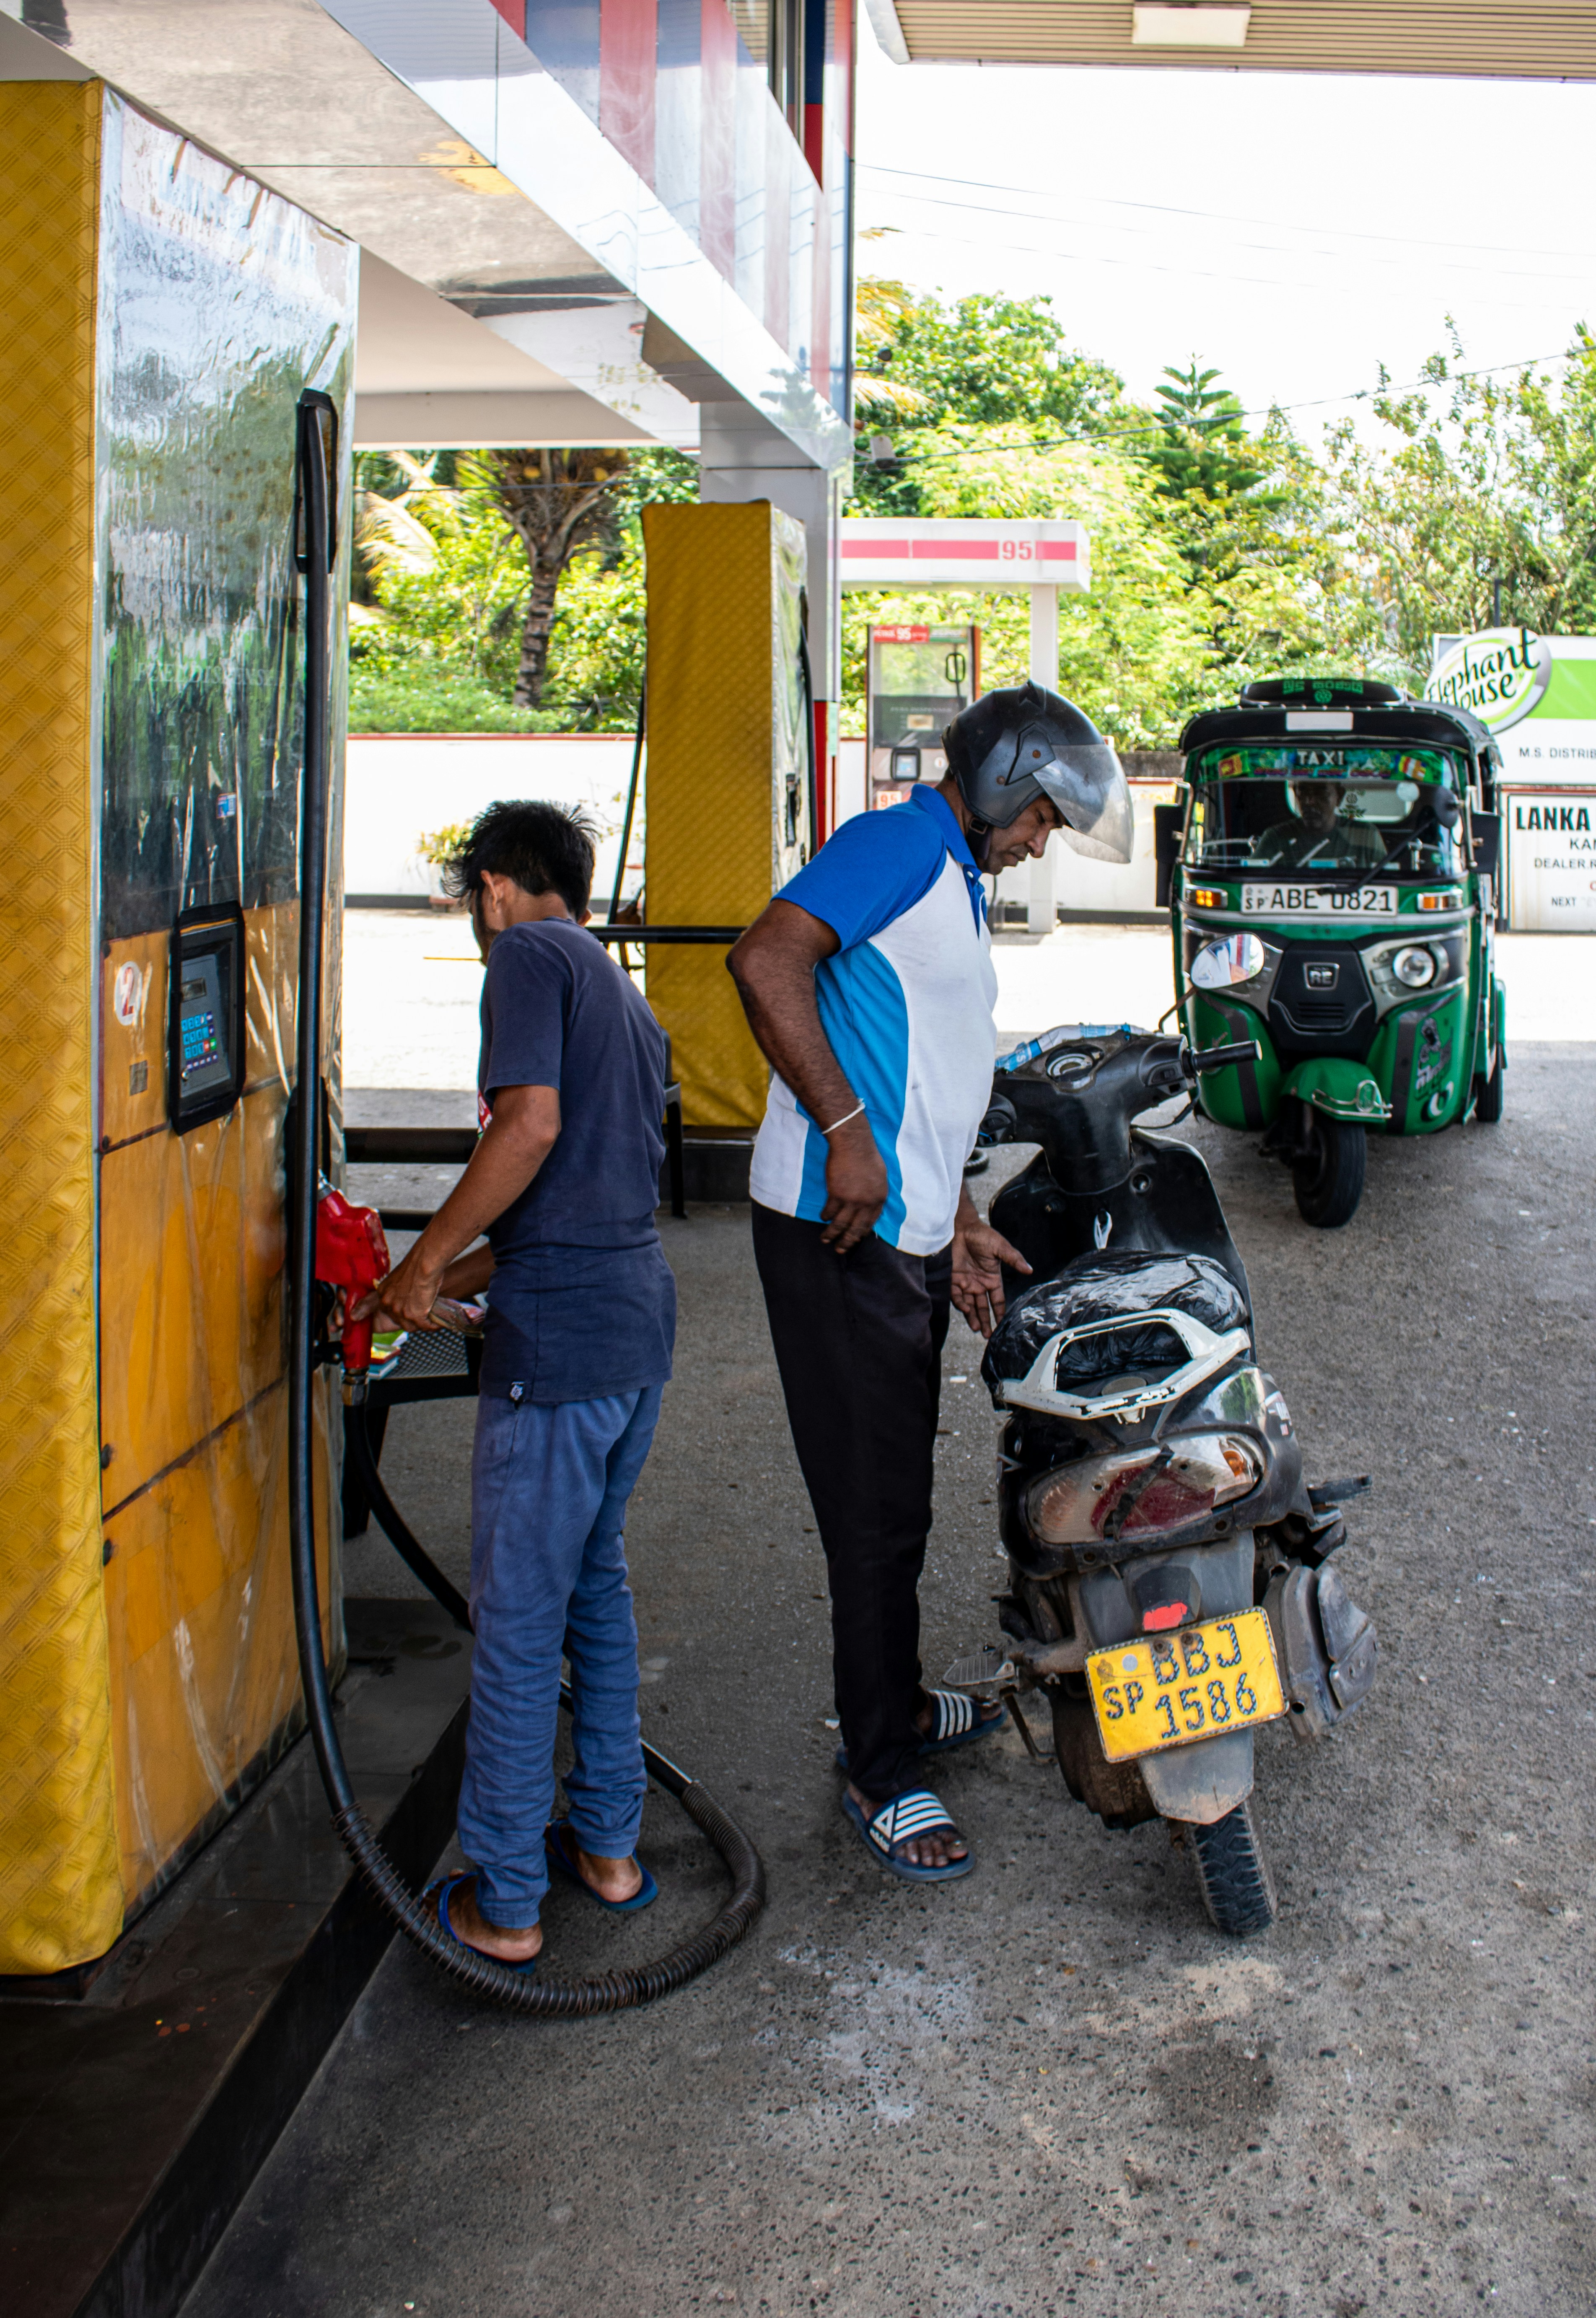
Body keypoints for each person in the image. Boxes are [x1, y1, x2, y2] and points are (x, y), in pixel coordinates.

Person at [729, 683, 1133, 1885]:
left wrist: (954, 1214)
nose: (1041, 842)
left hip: (893, 1229)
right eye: (1044, 818)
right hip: (830, 1227)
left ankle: (896, 1701)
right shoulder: (898, 843)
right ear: (1007, 777)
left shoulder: (949, 874)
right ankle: (879, 1767)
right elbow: (766, 960)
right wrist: (846, 1130)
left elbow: (932, 1066)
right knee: (874, 1510)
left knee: (895, 1486)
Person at [358, 800, 675, 1969]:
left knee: (517, 1621)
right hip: (634, 1323)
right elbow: (567, 1208)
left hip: (565, 1351)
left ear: (496, 885)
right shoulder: (622, 997)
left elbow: (528, 1130)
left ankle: (505, 1898)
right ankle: (609, 1848)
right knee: (593, 1586)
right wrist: (417, 1275)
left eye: (473, 898)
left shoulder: (531, 958)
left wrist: (428, 1256)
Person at [1250, 778, 1385, 870]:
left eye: (1321, 793)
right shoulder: (1276, 838)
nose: (1310, 801)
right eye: (1303, 793)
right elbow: (1253, 879)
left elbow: (1385, 880)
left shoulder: (1366, 836)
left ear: (1339, 796)